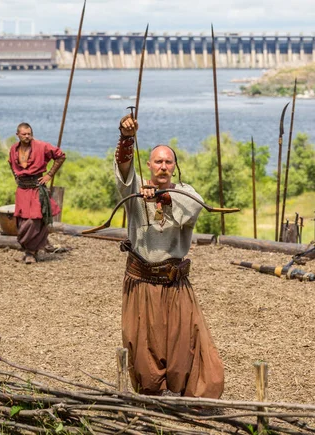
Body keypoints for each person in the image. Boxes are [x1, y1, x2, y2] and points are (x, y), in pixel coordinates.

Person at [114, 114, 224, 398]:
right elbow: (124, 168)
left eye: (168, 162)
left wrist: (160, 197)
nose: (163, 166)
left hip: (176, 284)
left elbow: (189, 207)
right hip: (142, 282)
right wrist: (127, 138)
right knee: (143, 344)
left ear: (174, 167)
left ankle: (182, 391)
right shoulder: (136, 189)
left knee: (184, 340)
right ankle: (154, 393)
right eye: (158, 161)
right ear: (149, 165)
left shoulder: (186, 193)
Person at [8, 122, 66, 264]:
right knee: (21, 221)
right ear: (18, 135)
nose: (27, 136)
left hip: (36, 188)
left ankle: (31, 253)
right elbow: (10, 162)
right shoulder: (13, 149)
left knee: (34, 220)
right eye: (24, 134)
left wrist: (49, 175)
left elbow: (61, 156)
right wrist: (16, 176)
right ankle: (28, 251)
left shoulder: (42, 146)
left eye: (29, 134)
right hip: (22, 189)